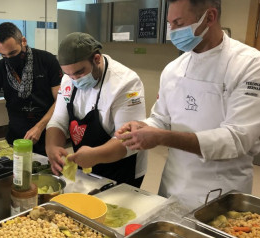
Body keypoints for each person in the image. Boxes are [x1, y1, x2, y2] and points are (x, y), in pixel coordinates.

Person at [116, 0, 260, 208]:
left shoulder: (249, 64)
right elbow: (161, 119)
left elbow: (237, 139)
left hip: (221, 191)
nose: (172, 31)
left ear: (210, 17)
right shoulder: (174, 68)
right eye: (170, 24)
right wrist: (144, 127)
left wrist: (163, 137)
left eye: (178, 23)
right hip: (173, 185)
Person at [45, 32, 147, 187]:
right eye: (69, 74)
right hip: (88, 165)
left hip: (122, 167)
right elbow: (58, 120)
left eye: (80, 72)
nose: (75, 79)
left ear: (96, 59)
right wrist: (52, 147)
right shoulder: (68, 79)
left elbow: (129, 138)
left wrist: (96, 154)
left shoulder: (126, 83)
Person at [0, 22, 62, 155]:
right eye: (4, 55)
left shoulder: (47, 61)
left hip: (48, 135)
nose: (9, 59)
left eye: (13, 53)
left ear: (23, 41)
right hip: (15, 137)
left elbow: (60, 100)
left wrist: (39, 127)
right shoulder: (0, 69)